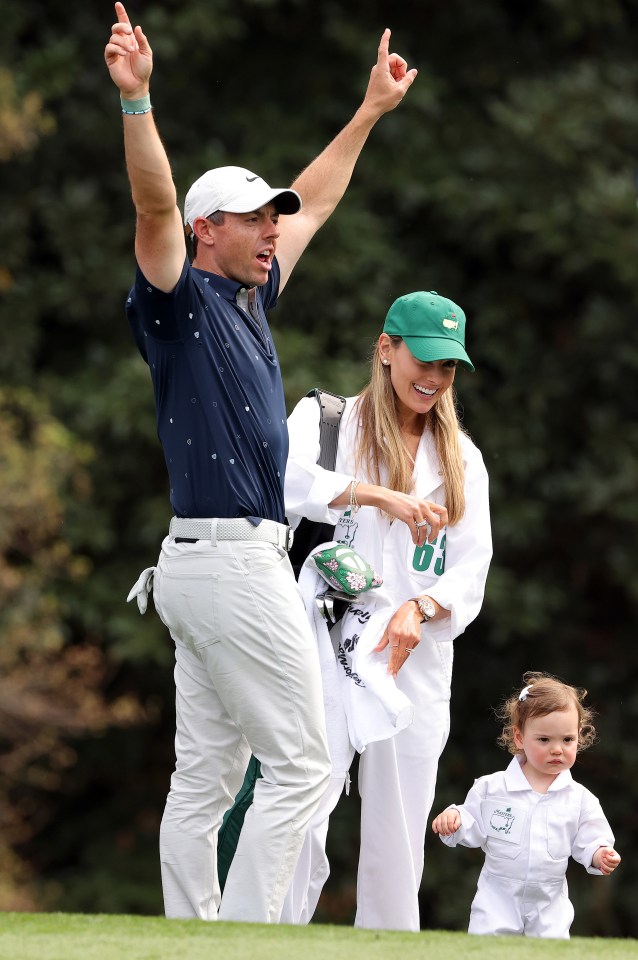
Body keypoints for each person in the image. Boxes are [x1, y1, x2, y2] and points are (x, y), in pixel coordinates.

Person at [104, 1, 419, 924]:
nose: (274, 228)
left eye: (271, 219)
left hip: (204, 567)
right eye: (254, 220)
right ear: (210, 232)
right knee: (303, 766)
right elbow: (154, 203)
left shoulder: (250, 296)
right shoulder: (178, 299)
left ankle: (189, 938)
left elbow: (315, 196)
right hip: (233, 568)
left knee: (206, 776)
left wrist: (366, 114)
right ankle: (240, 940)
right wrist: (138, 102)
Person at [281, 290, 493, 930]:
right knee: (298, 808)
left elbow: (472, 567)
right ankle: (267, 939)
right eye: (422, 360)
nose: (432, 378)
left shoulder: (464, 459)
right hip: (324, 638)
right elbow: (281, 482)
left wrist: (422, 607)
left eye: (447, 367)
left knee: (399, 835)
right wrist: (378, 497)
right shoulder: (327, 422)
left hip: (413, 655)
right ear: (386, 349)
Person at [432, 672, 621, 939]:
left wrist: (600, 853)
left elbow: (590, 838)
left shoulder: (580, 799)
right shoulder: (492, 788)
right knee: (488, 949)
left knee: (550, 952)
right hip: (497, 895)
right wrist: (455, 818)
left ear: (579, 736)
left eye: (567, 740)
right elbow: (471, 822)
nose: (557, 749)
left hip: (550, 901)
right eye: (544, 740)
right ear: (519, 737)